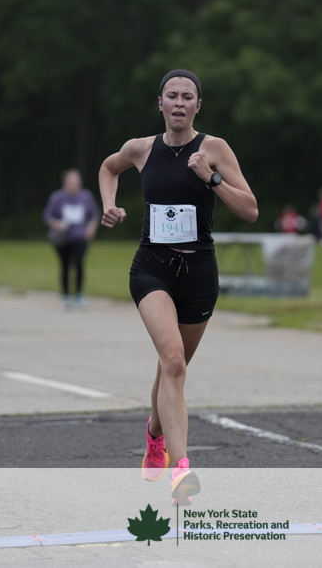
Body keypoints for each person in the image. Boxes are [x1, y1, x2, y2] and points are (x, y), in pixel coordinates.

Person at [98, 69, 258, 505]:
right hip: (152, 269)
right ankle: (181, 471)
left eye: (188, 96)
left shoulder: (214, 149)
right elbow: (108, 167)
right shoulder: (141, 148)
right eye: (173, 96)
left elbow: (250, 210)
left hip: (199, 273)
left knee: (174, 366)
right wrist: (109, 205)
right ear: (161, 103)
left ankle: (154, 432)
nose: (180, 103)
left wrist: (211, 177)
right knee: (172, 361)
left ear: (198, 106)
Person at [43, 168, 99, 309]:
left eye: (76, 180)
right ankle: (66, 295)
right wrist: (57, 224)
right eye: (71, 181)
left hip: (80, 237)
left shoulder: (86, 196)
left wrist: (91, 227)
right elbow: (48, 215)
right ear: (65, 182)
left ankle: (79, 294)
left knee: (79, 263)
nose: (74, 183)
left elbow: (94, 214)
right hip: (63, 238)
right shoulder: (57, 197)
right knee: (65, 265)